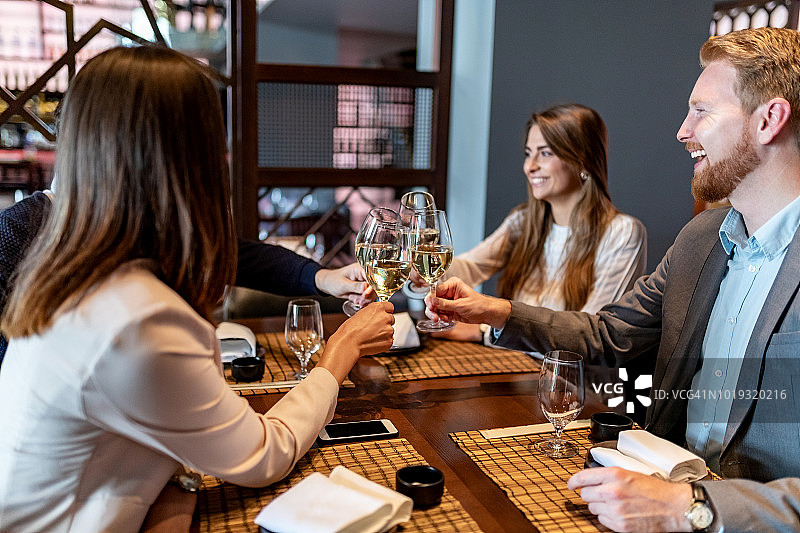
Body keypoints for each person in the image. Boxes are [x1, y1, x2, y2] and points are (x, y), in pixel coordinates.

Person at [0, 45, 394, 532]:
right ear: (191, 160)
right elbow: (264, 455)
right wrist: (341, 351)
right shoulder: (139, 318)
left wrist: (178, 485)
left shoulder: (66, 268)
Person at [426, 27, 800, 532]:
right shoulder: (701, 238)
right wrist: (497, 313)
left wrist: (692, 507)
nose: (683, 131)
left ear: (769, 120)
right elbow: (607, 334)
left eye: (701, 111)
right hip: (655, 490)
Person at [0, 190, 372, 366]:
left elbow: (236, 255)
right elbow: (259, 453)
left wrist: (321, 277)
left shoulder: (131, 220)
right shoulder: (17, 230)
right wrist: (339, 354)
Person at [433, 103, 646, 345]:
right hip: (514, 363)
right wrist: (422, 270)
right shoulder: (523, 221)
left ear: (583, 161)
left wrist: (485, 330)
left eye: (545, 153)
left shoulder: (622, 234)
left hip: (565, 370)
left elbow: (591, 336)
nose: (529, 166)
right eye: (528, 153)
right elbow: (472, 267)